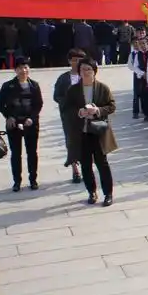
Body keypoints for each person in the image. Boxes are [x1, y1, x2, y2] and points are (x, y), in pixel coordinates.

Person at [64, 58, 118, 206]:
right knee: (86, 164)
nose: (86, 72)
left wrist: (98, 110)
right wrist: (79, 112)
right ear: (79, 72)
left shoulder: (102, 88)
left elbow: (111, 106)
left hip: (98, 130)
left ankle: (108, 193)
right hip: (82, 132)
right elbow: (67, 108)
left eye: (89, 69)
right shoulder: (73, 90)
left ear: (94, 71)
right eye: (83, 69)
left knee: (102, 163)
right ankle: (91, 191)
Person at [0, 58, 44, 192]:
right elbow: (0, 103)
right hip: (14, 124)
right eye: (20, 68)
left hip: (31, 124)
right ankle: (17, 181)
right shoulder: (8, 86)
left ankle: (33, 180)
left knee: (32, 153)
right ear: (15, 70)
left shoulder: (34, 85)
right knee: (16, 153)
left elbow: (38, 104)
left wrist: (32, 118)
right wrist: (8, 116)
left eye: (26, 67)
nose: (23, 70)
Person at [54, 48, 87, 182]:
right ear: (69, 61)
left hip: (85, 113)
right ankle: (75, 169)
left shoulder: (87, 75)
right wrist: (68, 102)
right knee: (71, 142)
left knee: (86, 141)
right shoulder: (63, 78)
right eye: (74, 60)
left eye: (80, 60)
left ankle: (86, 167)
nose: (77, 62)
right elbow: (57, 96)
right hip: (69, 115)